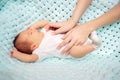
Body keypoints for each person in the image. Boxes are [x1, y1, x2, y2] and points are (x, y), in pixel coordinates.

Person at [46, 0, 120, 54]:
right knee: (75, 52)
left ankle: (95, 45)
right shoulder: (38, 50)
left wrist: (88, 27)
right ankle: (94, 45)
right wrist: (73, 21)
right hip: (73, 39)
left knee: (75, 51)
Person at [10, 20, 101, 62]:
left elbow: (45, 22)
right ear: (33, 46)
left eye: (29, 30)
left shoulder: (44, 31)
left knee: (72, 26)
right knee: (74, 51)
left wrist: (34, 26)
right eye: (30, 33)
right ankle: (94, 45)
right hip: (73, 50)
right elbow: (30, 58)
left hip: (77, 36)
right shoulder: (40, 51)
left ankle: (88, 33)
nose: (32, 30)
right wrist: (17, 54)